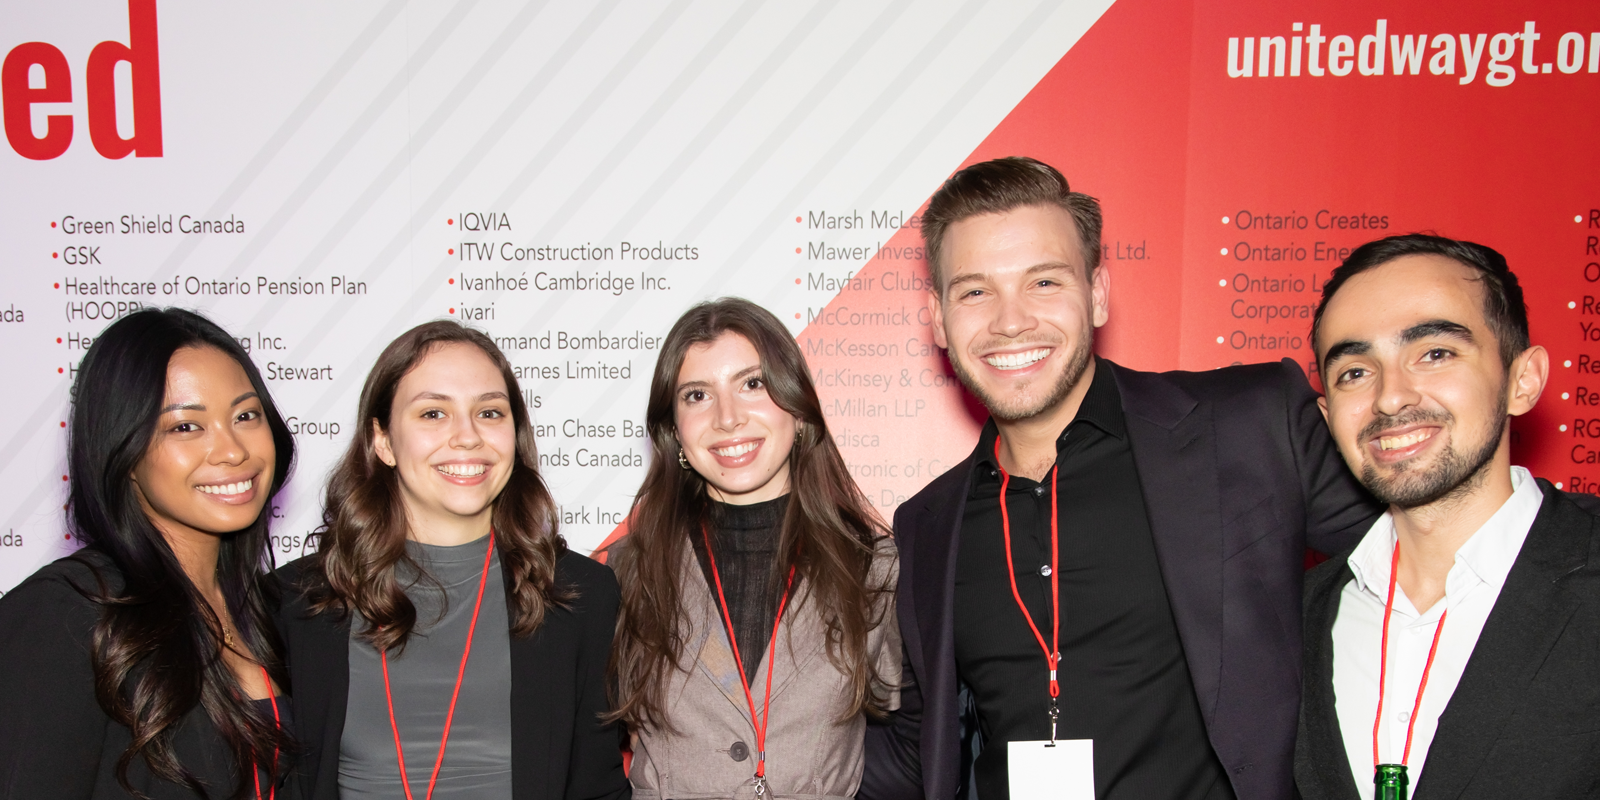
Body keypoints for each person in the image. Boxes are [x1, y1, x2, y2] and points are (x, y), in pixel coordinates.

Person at [860, 157, 1381, 800]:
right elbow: (917, 746)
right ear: (938, 319)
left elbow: (1429, 576)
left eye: (1044, 282)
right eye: (974, 291)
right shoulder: (925, 525)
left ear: (1098, 293)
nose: (1010, 320)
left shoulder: (1251, 424)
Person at [1295, 234, 1600, 799]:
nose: (1390, 397)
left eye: (1434, 353)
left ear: (1522, 379)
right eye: (1355, 372)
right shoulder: (1291, 620)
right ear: (1327, 415)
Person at [271, 320, 627, 800]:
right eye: (433, 413)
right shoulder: (296, 603)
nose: (467, 437)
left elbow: (597, 790)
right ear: (383, 441)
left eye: (490, 412)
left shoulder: (582, 596)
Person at [606, 298, 901, 800]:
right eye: (697, 395)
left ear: (799, 410)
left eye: (752, 384)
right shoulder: (628, 572)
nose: (727, 418)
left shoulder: (873, 566)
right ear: (674, 429)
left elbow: (909, 737)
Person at [0, 308, 298, 800]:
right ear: (125, 450)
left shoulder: (274, 611)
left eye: (246, 416)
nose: (232, 450)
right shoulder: (67, 615)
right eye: (186, 427)